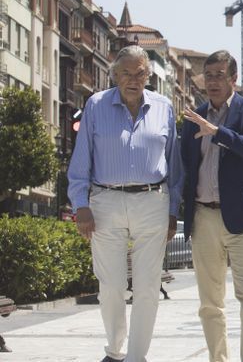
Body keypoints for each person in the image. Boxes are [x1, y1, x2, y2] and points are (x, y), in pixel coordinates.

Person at [67, 45, 183, 362]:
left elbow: (175, 165)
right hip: (104, 202)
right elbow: (80, 161)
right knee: (112, 286)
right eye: (127, 73)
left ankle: (136, 357)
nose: (134, 79)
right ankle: (115, 351)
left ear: (149, 75)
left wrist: (173, 210)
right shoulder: (95, 105)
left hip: (152, 201)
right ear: (115, 75)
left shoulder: (164, 107)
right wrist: (81, 205)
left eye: (140, 72)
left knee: (147, 287)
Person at [181, 50, 243, 361]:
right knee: (209, 302)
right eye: (209, 75)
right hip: (204, 217)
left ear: (233, 79)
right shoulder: (193, 119)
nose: (213, 81)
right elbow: (185, 169)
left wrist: (218, 132)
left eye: (220, 75)